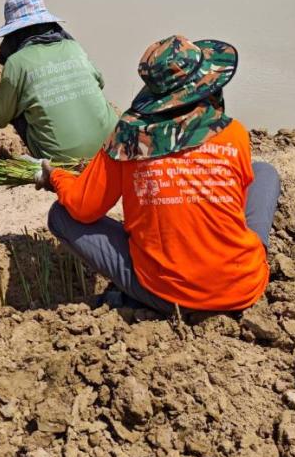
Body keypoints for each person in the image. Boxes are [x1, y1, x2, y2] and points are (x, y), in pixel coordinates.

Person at [37, 34, 280, 314]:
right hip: (244, 286)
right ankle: (251, 253)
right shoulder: (233, 132)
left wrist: (56, 177)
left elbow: (82, 208)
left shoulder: (127, 139)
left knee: (61, 214)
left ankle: (145, 295)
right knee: (264, 172)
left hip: (172, 298)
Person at [0, 0, 117, 162]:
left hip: (67, 161)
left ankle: (50, 162)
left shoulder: (17, 63)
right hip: (113, 147)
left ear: (13, 34)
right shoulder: (73, 47)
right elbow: (100, 82)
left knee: (14, 105)